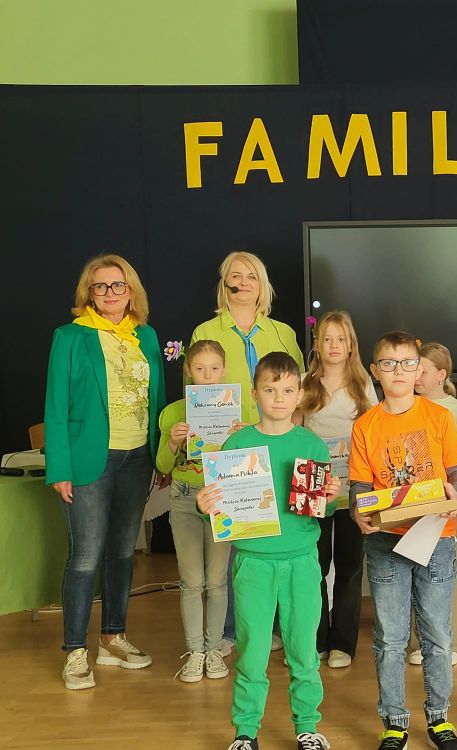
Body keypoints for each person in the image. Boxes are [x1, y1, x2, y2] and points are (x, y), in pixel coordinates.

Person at [196, 352, 339, 750]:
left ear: (300, 394)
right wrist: (205, 504)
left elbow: (322, 509)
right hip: (252, 563)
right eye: (271, 390)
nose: (279, 398)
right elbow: (220, 505)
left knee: (303, 650)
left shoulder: (311, 445)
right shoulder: (237, 444)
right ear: (255, 393)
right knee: (252, 651)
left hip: (301, 561)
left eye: (288, 390)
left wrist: (330, 498)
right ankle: (246, 732)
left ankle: (307, 726)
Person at [44, 253, 166, 690]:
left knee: (121, 552)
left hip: (138, 457)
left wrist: (162, 457)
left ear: (131, 292)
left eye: (118, 285)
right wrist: (59, 467)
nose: (110, 293)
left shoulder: (146, 335)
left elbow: (158, 399)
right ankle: (75, 651)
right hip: (88, 461)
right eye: (101, 286)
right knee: (85, 556)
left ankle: (112, 638)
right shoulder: (70, 336)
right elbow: (56, 405)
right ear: (89, 293)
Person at [349, 331, 457, 750]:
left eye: (406, 363)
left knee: (437, 635)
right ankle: (394, 722)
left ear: (419, 369)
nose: (398, 371)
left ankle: (439, 719)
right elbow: (360, 486)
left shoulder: (439, 417)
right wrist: (358, 512)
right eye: (388, 364)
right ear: (375, 371)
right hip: (385, 542)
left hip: (436, 537)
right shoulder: (365, 425)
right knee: (390, 638)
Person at [191, 250, 305, 651]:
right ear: (224, 284)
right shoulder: (207, 330)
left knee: (273, 534)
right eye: (235, 276)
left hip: (276, 443)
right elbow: (199, 394)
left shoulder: (283, 333)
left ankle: (273, 627)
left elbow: (297, 389)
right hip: (230, 451)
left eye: (251, 276)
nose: (242, 282)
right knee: (234, 541)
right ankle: (230, 631)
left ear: (262, 285)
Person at [297, 311, 378, 669]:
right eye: (327, 339)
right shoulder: (305, 383)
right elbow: (293, 431)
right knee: (313, 565)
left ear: (350, 346)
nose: (333, 345)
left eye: (340, 339)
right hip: (312, 487)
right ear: (317, 345)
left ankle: (343, 643)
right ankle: (316, 640)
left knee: (349, 567)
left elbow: (374, 432)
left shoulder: (363, 385)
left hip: (352, 488)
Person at [155, 339, 234, 683]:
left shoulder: (236, 411)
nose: (207, 375)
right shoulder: (173, 413)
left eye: (214, 368)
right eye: (200, 369)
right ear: (189, 370)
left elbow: (247, 462)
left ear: (224, 370)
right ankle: (195, 651)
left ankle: (214, 649)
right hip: (185, 498)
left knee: (217, 580)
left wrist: (241, 437)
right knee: (192, 581)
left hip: (220, 498)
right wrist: (173, 442)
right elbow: (162, 465)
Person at [407, 341, 457, 666]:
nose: (416, 376)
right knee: (413, 564)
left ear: (441, 374)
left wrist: (454, 483)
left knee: (445, 569)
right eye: (413, 369)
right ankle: (418, 642)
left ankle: (448, 642)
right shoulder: (405, 406)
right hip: (412, 502)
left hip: (449, 502)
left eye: (422, 370)